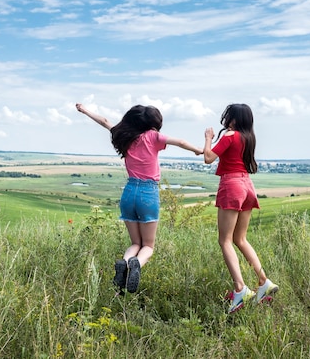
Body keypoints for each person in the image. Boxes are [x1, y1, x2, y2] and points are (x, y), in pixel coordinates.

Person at [76, 103, 202, 294]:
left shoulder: (124, 135)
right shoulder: (153, 137)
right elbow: (182, 142)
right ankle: (136, 265)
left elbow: (105, 121)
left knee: (135, 243)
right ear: (153, 124)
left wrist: (85, 110)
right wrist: (197, 150)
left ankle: (125, 263)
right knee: (148, 247)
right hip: (147, 194)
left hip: (128, 193)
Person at [203, 103, 278, 313]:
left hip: (232, 185)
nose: (226, 120)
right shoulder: (248, 137)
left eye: (228, 116)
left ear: (234, 118)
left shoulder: (229, 135)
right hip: (247, 186)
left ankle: (240, 289)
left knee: (225, 240)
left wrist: (208, 137)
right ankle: (264, 282)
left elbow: (208, 158)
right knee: (240, 239)